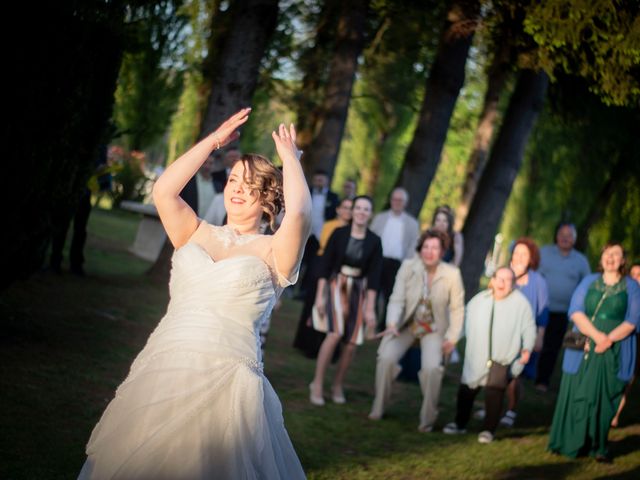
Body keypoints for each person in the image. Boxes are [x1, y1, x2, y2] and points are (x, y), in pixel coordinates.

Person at [78, 109, 310, 479]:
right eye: (232, 179)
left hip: (228, 378)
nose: (235, 188)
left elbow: (298, 214)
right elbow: (164, 190)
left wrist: (290, 162)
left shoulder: (274, 251)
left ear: (268, 196)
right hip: (165, 365)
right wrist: (214, 141)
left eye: (248, 183)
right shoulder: (194, 231)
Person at [548, 243, 640, 462]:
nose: (611, 257)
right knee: (576, 390)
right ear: (601, 258)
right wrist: (598, 337)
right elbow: (576, 311)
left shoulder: (632, 287)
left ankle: (598, 446)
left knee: (604, 397)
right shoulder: (589, 280)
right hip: (586, 345)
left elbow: (632, 320)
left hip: (614, 348)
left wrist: (609, 339)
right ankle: (568, 442)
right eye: (607, 253)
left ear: (622, 260)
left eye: (616, 254)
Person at [369, 229, 465, 432]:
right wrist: (392, 323)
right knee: (385, 357)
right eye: (426, 247)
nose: (430, 252)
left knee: (432, 368)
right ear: (420, 249)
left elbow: (457, 309)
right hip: (407, 325)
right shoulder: (408, 267)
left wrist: (452, 338)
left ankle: (427, 419)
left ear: (442, 251)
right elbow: (396, 298)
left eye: (435, 248)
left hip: (434, 328)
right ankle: (378, 407)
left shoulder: (452, 274)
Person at [443, 267, 536, 444]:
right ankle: (459, 423)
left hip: (501, 359)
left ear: (513, 284)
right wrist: (452, 339)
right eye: (499, 279)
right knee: (466, 392)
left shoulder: (520, 303)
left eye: (507, 280)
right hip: (476, 356)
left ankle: (488, 429)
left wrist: (527, 348)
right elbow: (463, 323)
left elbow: (529, 327)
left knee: (495, 393)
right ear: (492, 280)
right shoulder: (479, 301)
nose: (502, 283)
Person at [309, 196, 382, 406]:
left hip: (359, 290)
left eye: (365, 209)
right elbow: (324, 266)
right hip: (336, 285)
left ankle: (337, 385)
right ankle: (317, 383)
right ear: (352, 211)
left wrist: (370, 308)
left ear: (370, 214)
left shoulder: (375, 241)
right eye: (357, 207)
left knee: (351, 344)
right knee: (334, 334)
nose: (361, 212)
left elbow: (374, 277)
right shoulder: (339, 234)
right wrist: (319, 298)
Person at [292, 197, 353, 358]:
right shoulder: (330, 225)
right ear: (338, 209)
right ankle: (308, 344)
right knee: (314, 305)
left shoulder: (354, 229)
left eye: (350, 208)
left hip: (341, 270)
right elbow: (326, 245)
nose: (347, 211)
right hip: (323, 265)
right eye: (345, 207)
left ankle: (330, 349)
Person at [499, 238, 549, 427]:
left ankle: (511, 410)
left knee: (515, 373)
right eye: (516, 252)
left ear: (531, 259)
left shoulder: (538, 282)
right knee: (497, 373)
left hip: (523, 335)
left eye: (524, 254)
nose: (519, 257)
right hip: (501, 332)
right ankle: (493, 405)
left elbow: (543, 312)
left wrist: (539, 336)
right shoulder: (504, 274)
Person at [535, 222, 591, 391]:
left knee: (553, 346)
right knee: (535, 342)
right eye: (562, 233)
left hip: (565, 312)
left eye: (569, 235)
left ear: (574, 239)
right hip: (540, 308)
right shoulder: (544, 252)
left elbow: (587, 285)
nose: (565, 237)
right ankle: (524, 374)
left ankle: (542, 380)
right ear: (556, 236)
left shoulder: (581, 261)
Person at [50, 144, 108, 276]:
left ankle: (74, 263)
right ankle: (57, 261)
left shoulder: (100, 144)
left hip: (84, 190)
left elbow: (102, 163)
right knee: (63, 226)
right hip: (70, 188)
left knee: (79, 229)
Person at [370, 187, 420, 330]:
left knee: (390, 296)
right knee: (373, 291)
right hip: (377, 261)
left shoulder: (412, 223)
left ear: (405, 203)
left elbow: (413, 245)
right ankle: (370, 321)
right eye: (394, 199)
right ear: (391, 200)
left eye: (400, 200)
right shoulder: (380, 218)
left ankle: (384, 325)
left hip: (397, 264)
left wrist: (407, 264)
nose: (397, 202)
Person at [611, 261, 640, 427]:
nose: (636, 278)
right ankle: (613, 412)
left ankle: (616, 412)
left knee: (629, 378)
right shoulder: (626, 294)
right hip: (625, 339)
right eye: (633, 274)